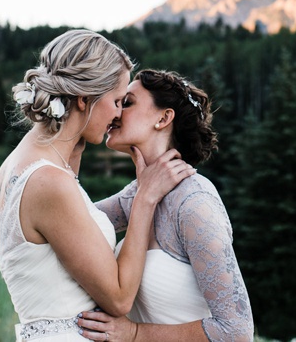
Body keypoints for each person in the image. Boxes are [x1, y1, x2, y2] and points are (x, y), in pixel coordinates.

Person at [0, 30, 196, 342]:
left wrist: (78, 139)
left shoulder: (18, 167)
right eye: (116, 101)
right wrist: (145, 198)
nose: (118, 114)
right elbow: (119, 297)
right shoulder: (49, 182)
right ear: (84, 99)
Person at [78, 69, 255, 342]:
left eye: (127, 103)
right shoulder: (137, 195)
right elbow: (70, 226)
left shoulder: (194, 202)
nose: (115, 111)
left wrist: (135, 333)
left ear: (163, 118)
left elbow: (237, 331)